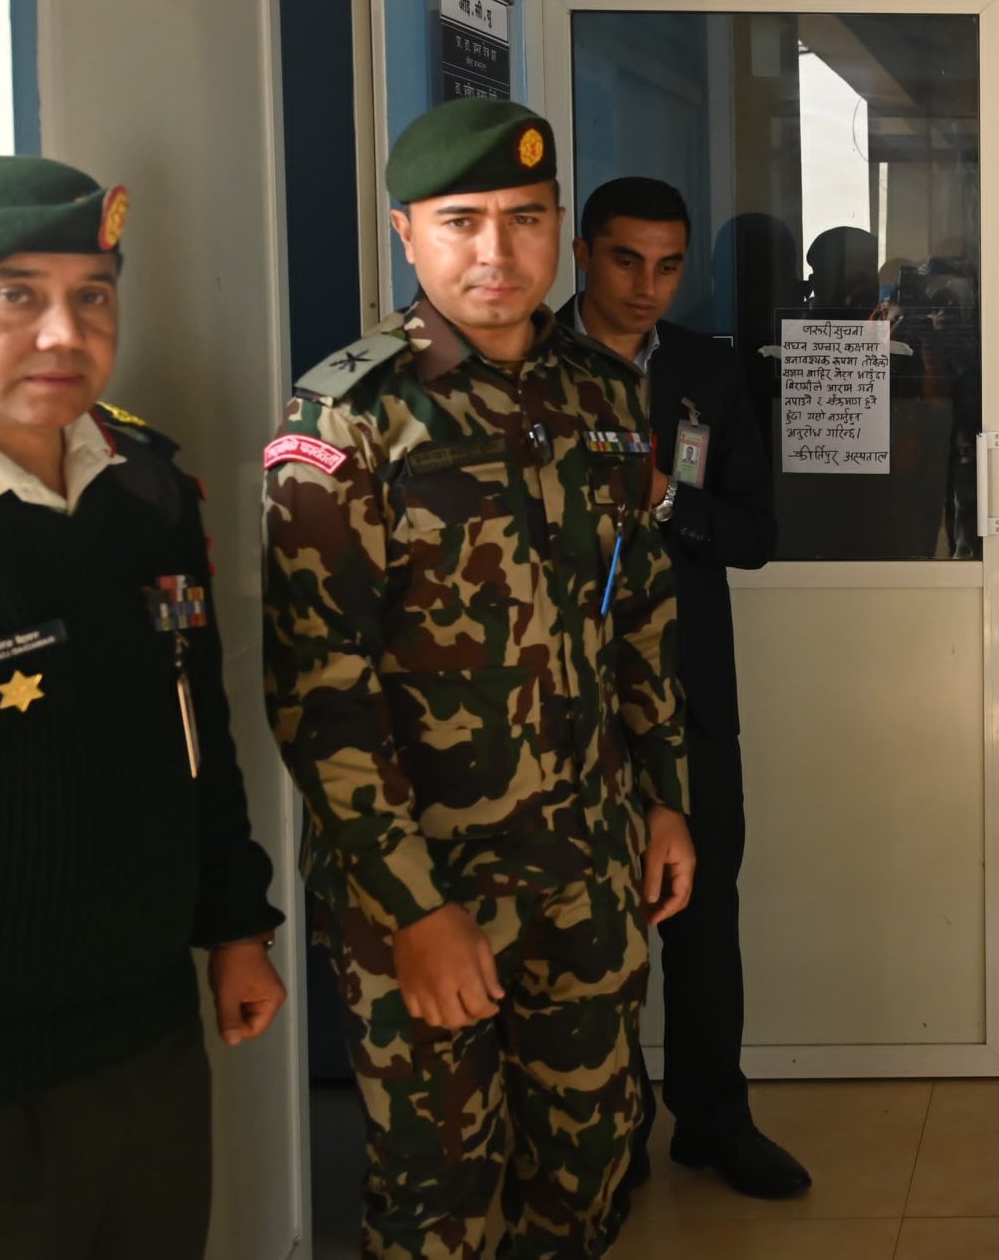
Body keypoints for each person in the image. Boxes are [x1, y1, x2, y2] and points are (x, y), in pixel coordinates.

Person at [262, 100, 696, 1257]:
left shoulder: (602, 391)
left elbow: (639, 614)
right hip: (429, 879)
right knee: (438, 1193)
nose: (497, 250)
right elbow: (317, 691)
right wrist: (414, 908)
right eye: (461, 220)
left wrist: (664, 796)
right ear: (405, 232)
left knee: (591, 1158)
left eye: (525, 217)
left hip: (589, 859)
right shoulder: (350, 413)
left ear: (557, 228)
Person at [0, 157, 285, 1257]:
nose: (66, 332)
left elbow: (194, 723)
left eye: (93, 295)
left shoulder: (145, 490)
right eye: (15, 295)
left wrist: (236, 921)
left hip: (149, 1040)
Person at [565, 177, 811, 1200]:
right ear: (583, 254)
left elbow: (755, 533)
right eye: (626, 260)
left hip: (689, 693)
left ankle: (714, 1118)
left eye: (668, 266)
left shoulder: (708, 371)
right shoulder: (533, 369)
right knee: (589, 928)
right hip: (566, 701)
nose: (646, 286)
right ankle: (604, 1129)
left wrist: (669, 499)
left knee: (704, 919)